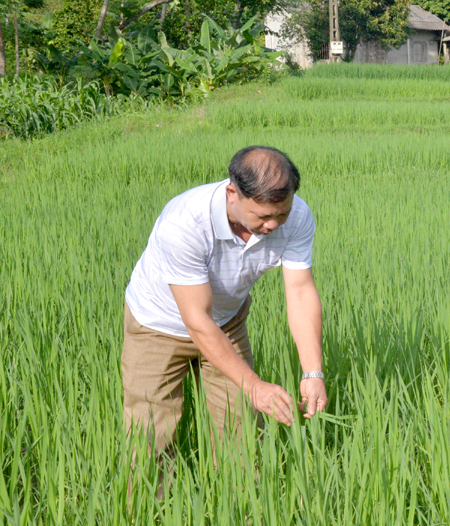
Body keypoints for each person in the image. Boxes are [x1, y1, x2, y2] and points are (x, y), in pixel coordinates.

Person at [122, 146, 327, 460]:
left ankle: (247, 507)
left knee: (242, 429)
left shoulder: (297, 216)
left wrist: (313, 373)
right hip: (158, 326)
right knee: (150, 434)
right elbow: (197, 320)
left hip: (226, 320)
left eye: (281, 214)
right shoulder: (185, 223)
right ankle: (151, 508)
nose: (273, 225)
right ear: (233, 193)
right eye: (263, 216)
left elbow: (300, 293)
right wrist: (256, 384)